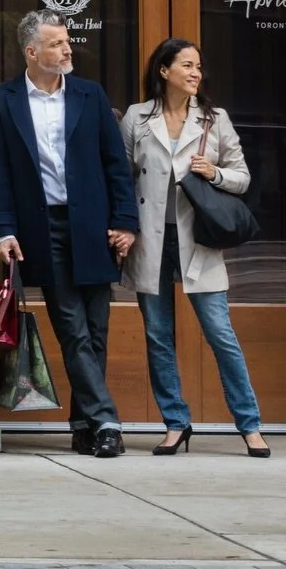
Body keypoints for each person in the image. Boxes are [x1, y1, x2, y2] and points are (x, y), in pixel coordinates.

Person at [0, 10, 138, 457]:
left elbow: (117, 165)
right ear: (32, 52)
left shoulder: (91, 96)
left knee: (95, 331)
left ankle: (83, 425)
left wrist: (126, 222)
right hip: (42, 227)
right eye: (56, 43)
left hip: (93, 228)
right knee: (72, 327)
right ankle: (108, 421)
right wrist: (3, 229)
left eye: (67, 41)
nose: (68, 48)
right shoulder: (5, 100)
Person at [120, 38, 270, 458]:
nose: (195, 73)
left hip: (197, 241)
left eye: (199, 67)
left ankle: (251, 425)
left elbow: (242, 177)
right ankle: (175, 422)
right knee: (158, 336)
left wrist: (215, 173)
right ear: (164, 70)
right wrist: (123, 229)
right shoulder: (137, 117)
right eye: (186, 65)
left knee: (221, 334)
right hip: (152, 241)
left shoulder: (213, 120)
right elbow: (122, 179)